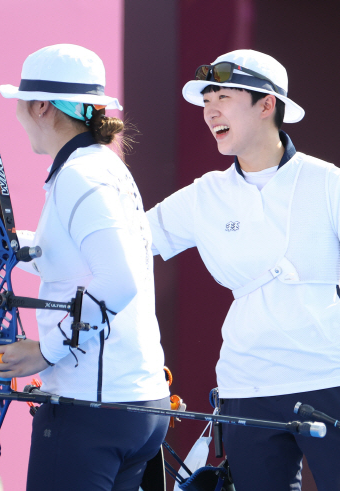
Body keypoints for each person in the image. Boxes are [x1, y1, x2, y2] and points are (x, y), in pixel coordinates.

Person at [0, 44, 170, 491]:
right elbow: (77, 258)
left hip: (91, 409)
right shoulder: (100, 166)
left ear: (41, 107)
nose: (16, 116)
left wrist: (47, 350)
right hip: (132, 407)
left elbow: (118, 280)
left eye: (20, 104)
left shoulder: (81, 175)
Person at [146, 49, 340, 490]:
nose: (210, 110)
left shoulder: (327, 182)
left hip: (329, 378)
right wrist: (2, 242)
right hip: (246, 385)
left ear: (267, 104)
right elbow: (123, 241)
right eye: (206, 100)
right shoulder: (204, 194)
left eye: (224, 97)